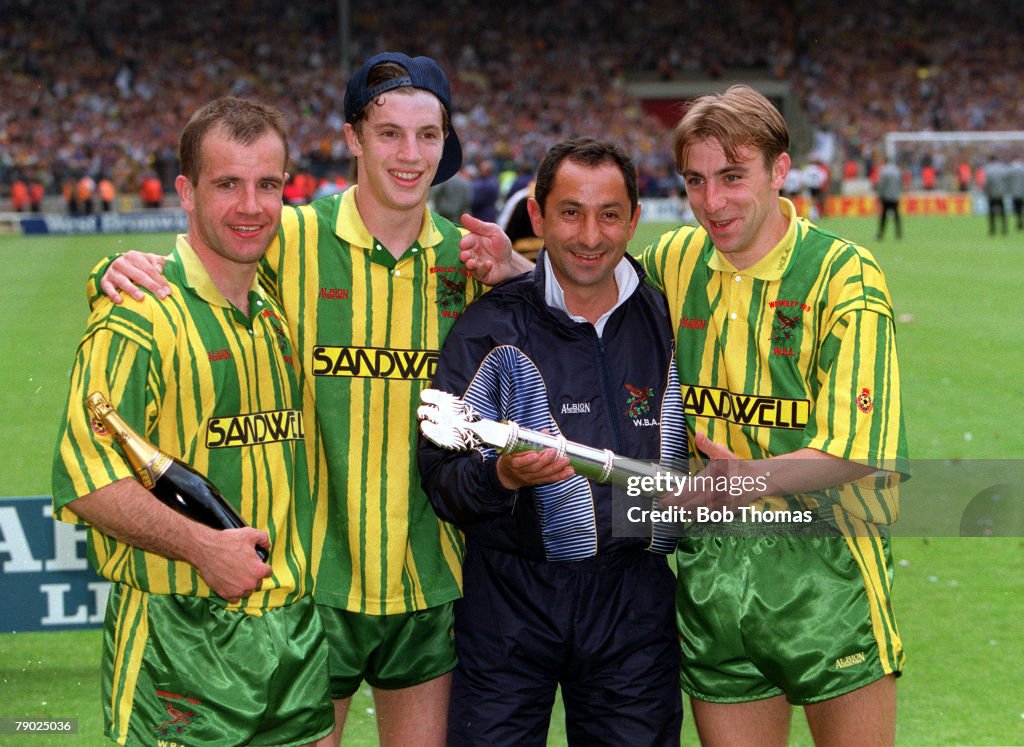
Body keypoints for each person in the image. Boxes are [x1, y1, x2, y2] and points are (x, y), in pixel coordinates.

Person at [94, 53, 529, 747]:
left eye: (428, 134)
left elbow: (587, 328)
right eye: (388, 133)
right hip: (306, 586)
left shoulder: (470, 261)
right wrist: (112, 267)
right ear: (353, 137)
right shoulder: (288, 236)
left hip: (432, 579)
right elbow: (192, 269)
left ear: (447, 144)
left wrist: (523, 274)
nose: (409, 154)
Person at [52, 97, 332, 745]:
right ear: (185, 190)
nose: (251, 205)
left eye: (268, 184)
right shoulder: (138, 314)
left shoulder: (278, 310)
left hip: (292, 633)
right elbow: (84, 479)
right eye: (227, 183)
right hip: (178, 638)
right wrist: (203, 548)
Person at [641, 84, 908, 746]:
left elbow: (856, 448)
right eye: (696, 181)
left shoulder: (842, 276)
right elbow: (591, 299)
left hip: (828, 571)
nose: (712, 201)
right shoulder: (676, 259)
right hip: (714, 576)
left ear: (779, 170)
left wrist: (747, 478)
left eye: (733, 177)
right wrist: (513, 269)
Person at [418, 137, 684, 746]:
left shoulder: (668, 320)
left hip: (634, 603)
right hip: (509, 600)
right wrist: (502, 479)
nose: (590, 235)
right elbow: (439, 475)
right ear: (537, 216)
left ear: (634, 219)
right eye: (570, 212)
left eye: (609, 214)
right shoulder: (489, 325)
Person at [875, 158, 902, 240]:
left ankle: (880, 234)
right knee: (896, 215)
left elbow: (881, 185)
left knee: (883, 216)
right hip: (895, 196)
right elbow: (900, 183)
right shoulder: (897, 171)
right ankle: (898, 233)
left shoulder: (884, 172)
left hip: (886, 196)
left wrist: (879, 195)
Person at [983, 154, 1009, 236]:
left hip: (991, 193)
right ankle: (1004, 228)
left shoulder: (988, 169)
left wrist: (986, 191)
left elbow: (987, 182)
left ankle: (992, 229)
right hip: (1000, 193)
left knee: (991, 212)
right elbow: (1006, 179)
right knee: (1002, 211)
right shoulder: (1002, 168)